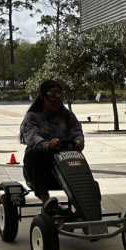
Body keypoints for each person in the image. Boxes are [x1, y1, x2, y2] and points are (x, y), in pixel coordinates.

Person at [20, 79, 85, 212]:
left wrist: (78, 142)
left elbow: (76, 130)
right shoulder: (32, 117)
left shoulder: (67, 116)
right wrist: (47, 144)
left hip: (64, 168)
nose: (57, 99)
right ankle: (46, 201)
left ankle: (86, 209)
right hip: (40, 171)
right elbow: (32, 136)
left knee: (79, 159)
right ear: (43, 96)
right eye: (52, 95)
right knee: (32, 153)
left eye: (60, 95)